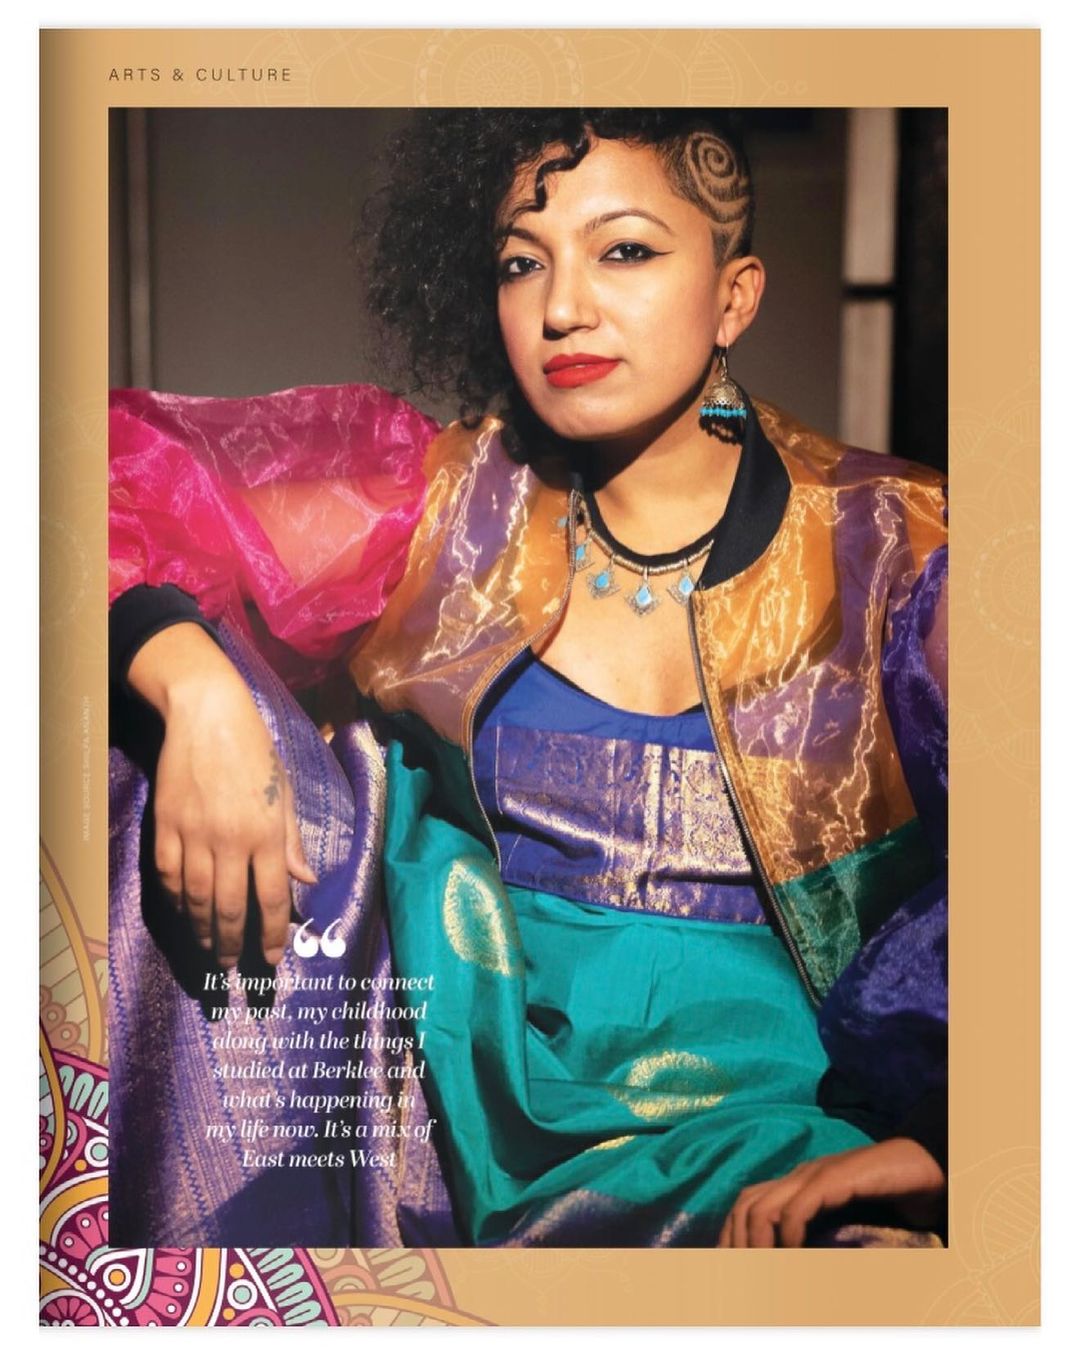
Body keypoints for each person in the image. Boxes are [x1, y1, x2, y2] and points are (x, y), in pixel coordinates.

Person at [107, 109, 948, 1249]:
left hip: (774, 1138)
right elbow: (92, 497)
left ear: (735, 295)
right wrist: (194, 689)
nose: (563, 309)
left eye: (625, 250)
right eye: (522, 262)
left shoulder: (901, 547)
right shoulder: (446, 505)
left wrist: (955, 1139)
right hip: (450, 1121)